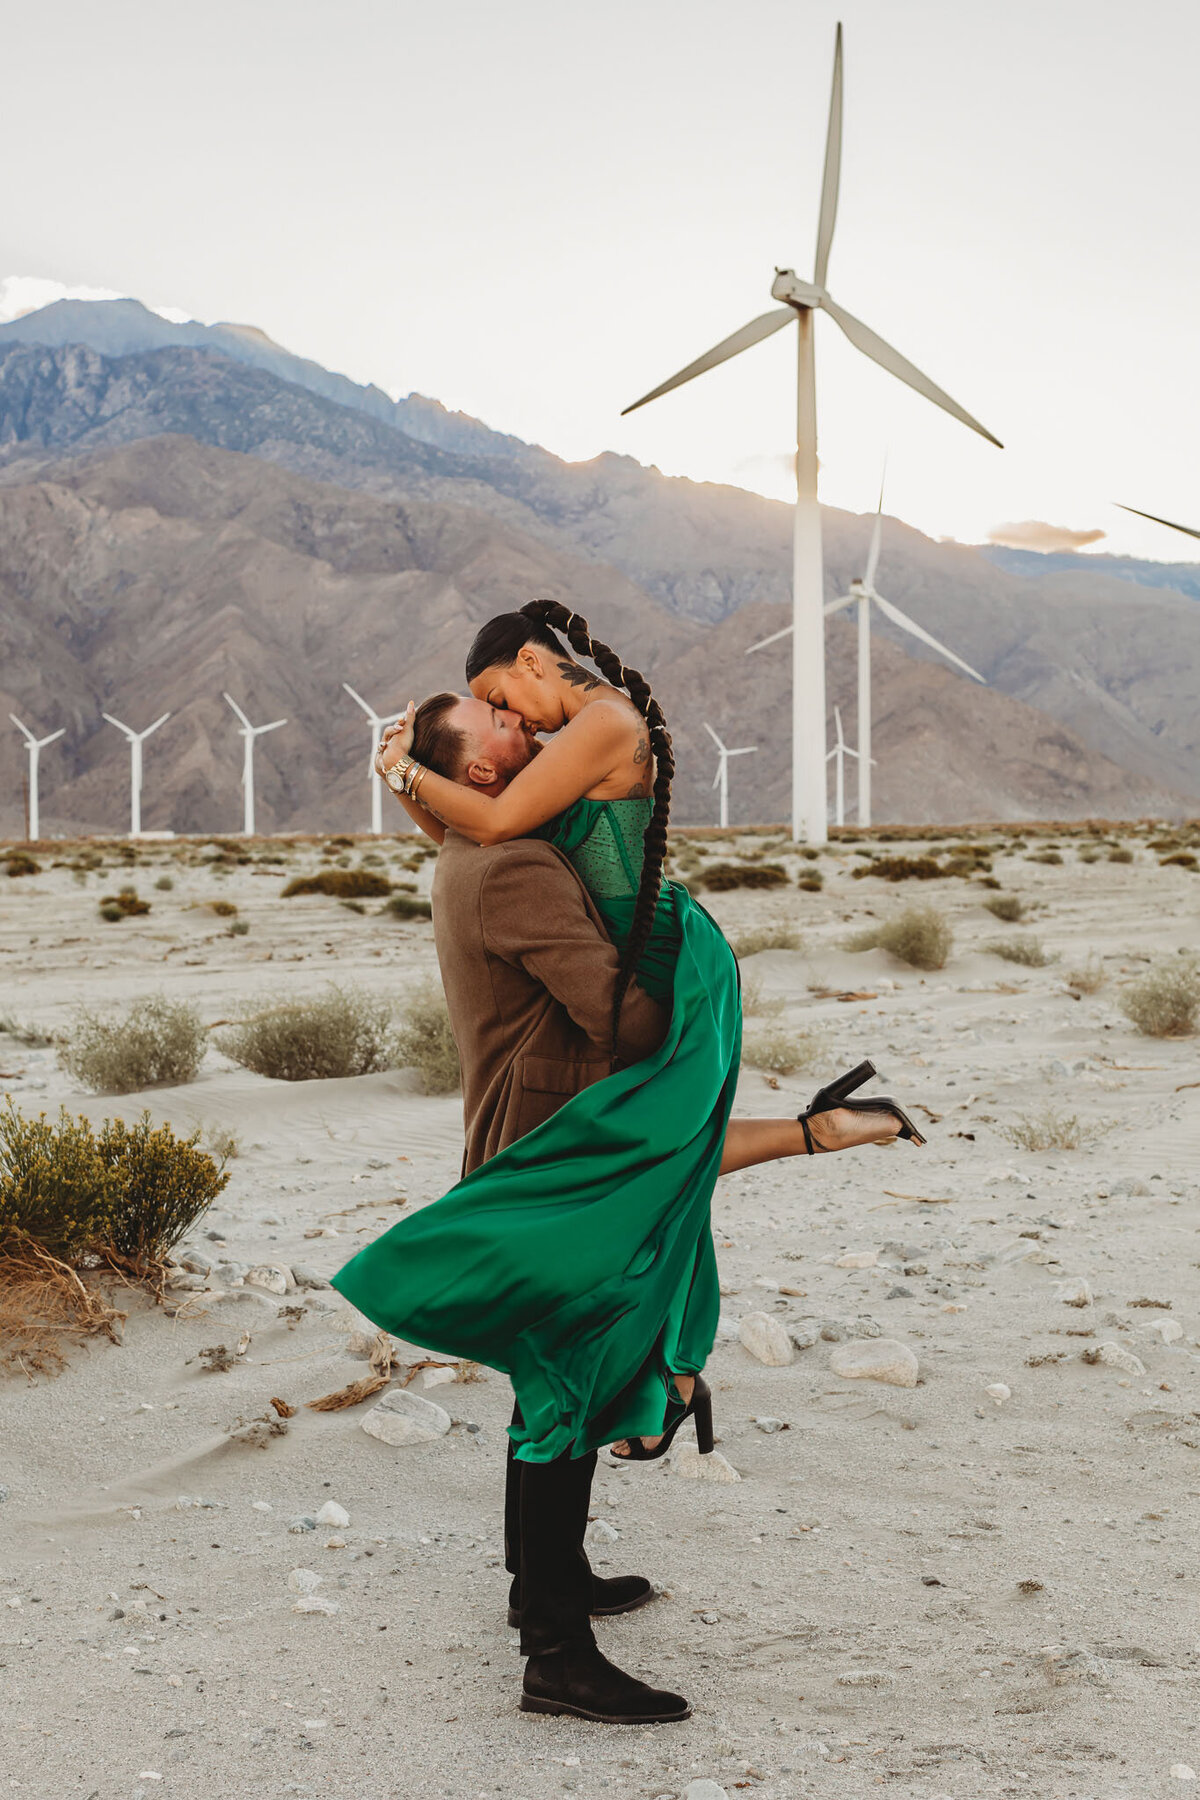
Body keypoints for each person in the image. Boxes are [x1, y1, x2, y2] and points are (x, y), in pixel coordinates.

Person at [332, 602, 925, 1723]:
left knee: (563, 1371)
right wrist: (675, 985)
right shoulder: (514, 859)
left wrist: (414, 782)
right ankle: (554, 1652)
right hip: (562, 1129)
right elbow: (622, 1017)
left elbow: (493, 830)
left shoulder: (478, 850)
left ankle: (544, 1592)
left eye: (508, 712)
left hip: (547, 1121)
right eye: (497, 725)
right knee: (562, 1382)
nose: (515, 737)